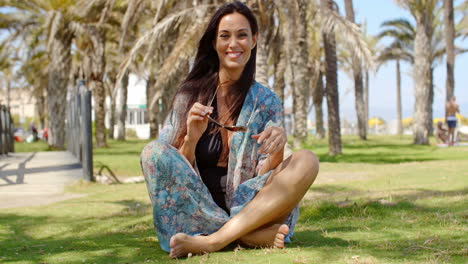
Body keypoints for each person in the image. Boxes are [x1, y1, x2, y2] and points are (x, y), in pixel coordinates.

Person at [140, 1, 319, 258]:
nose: (233, 44)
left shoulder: (266, 101)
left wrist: (277, 150)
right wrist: (191, 137)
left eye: (242, 35)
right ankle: (247, 235)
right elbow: (169, 172)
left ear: (254, 40)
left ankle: (213, 240)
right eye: (225, 36)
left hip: (251, 206)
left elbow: (265, 174)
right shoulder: (189, 96)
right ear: (214, 43)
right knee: (152, 152)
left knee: (307, 160)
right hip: (196, 209)